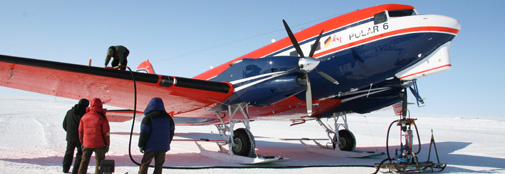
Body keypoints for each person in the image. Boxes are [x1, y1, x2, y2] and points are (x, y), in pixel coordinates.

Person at [138, 97, 175, 174]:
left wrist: (141, 145)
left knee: (145, 164)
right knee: (159, 165)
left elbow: (144, 133)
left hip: (150, 147)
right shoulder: (168, 117)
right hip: (163, 147)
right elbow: (171, 131)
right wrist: (167, 143)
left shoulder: (148, 117)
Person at [78, 98, 110, 174]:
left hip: (86, 144)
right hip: (100, 145)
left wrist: (82, 142)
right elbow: (107, 133)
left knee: (84, 162)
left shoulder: (84, 117)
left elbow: (80, 131)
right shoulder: (102, 117)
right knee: (100, 162)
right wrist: (107, 143)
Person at [62, 98, 89, 174]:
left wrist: (69, 132)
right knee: (80, 154)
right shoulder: (84, 114)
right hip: (81, 138)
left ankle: (65, 169)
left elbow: (64, 124)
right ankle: (76, 171)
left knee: (68, 152)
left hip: (70, 137)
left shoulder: (69, 112)